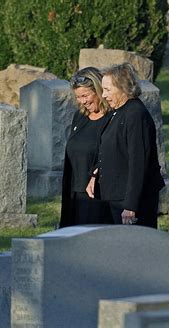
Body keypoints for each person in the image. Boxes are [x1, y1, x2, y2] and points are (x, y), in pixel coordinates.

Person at [86, 63, 165, 228]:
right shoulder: (118, 112)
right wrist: (95, 173)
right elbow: (111, 149)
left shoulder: (135, 114)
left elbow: (138, 163)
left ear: (123, 88)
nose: (103, 95)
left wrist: (130, 206)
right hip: (115, 195)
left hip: (130, 201)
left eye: (108, 90)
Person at [59, 67, 113, 227]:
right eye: (78, 97)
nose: (82, 101)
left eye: (85, 95)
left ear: (98, 90)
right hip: (75, 193)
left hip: (100, 195)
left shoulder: (113, 118)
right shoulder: (80, 117)